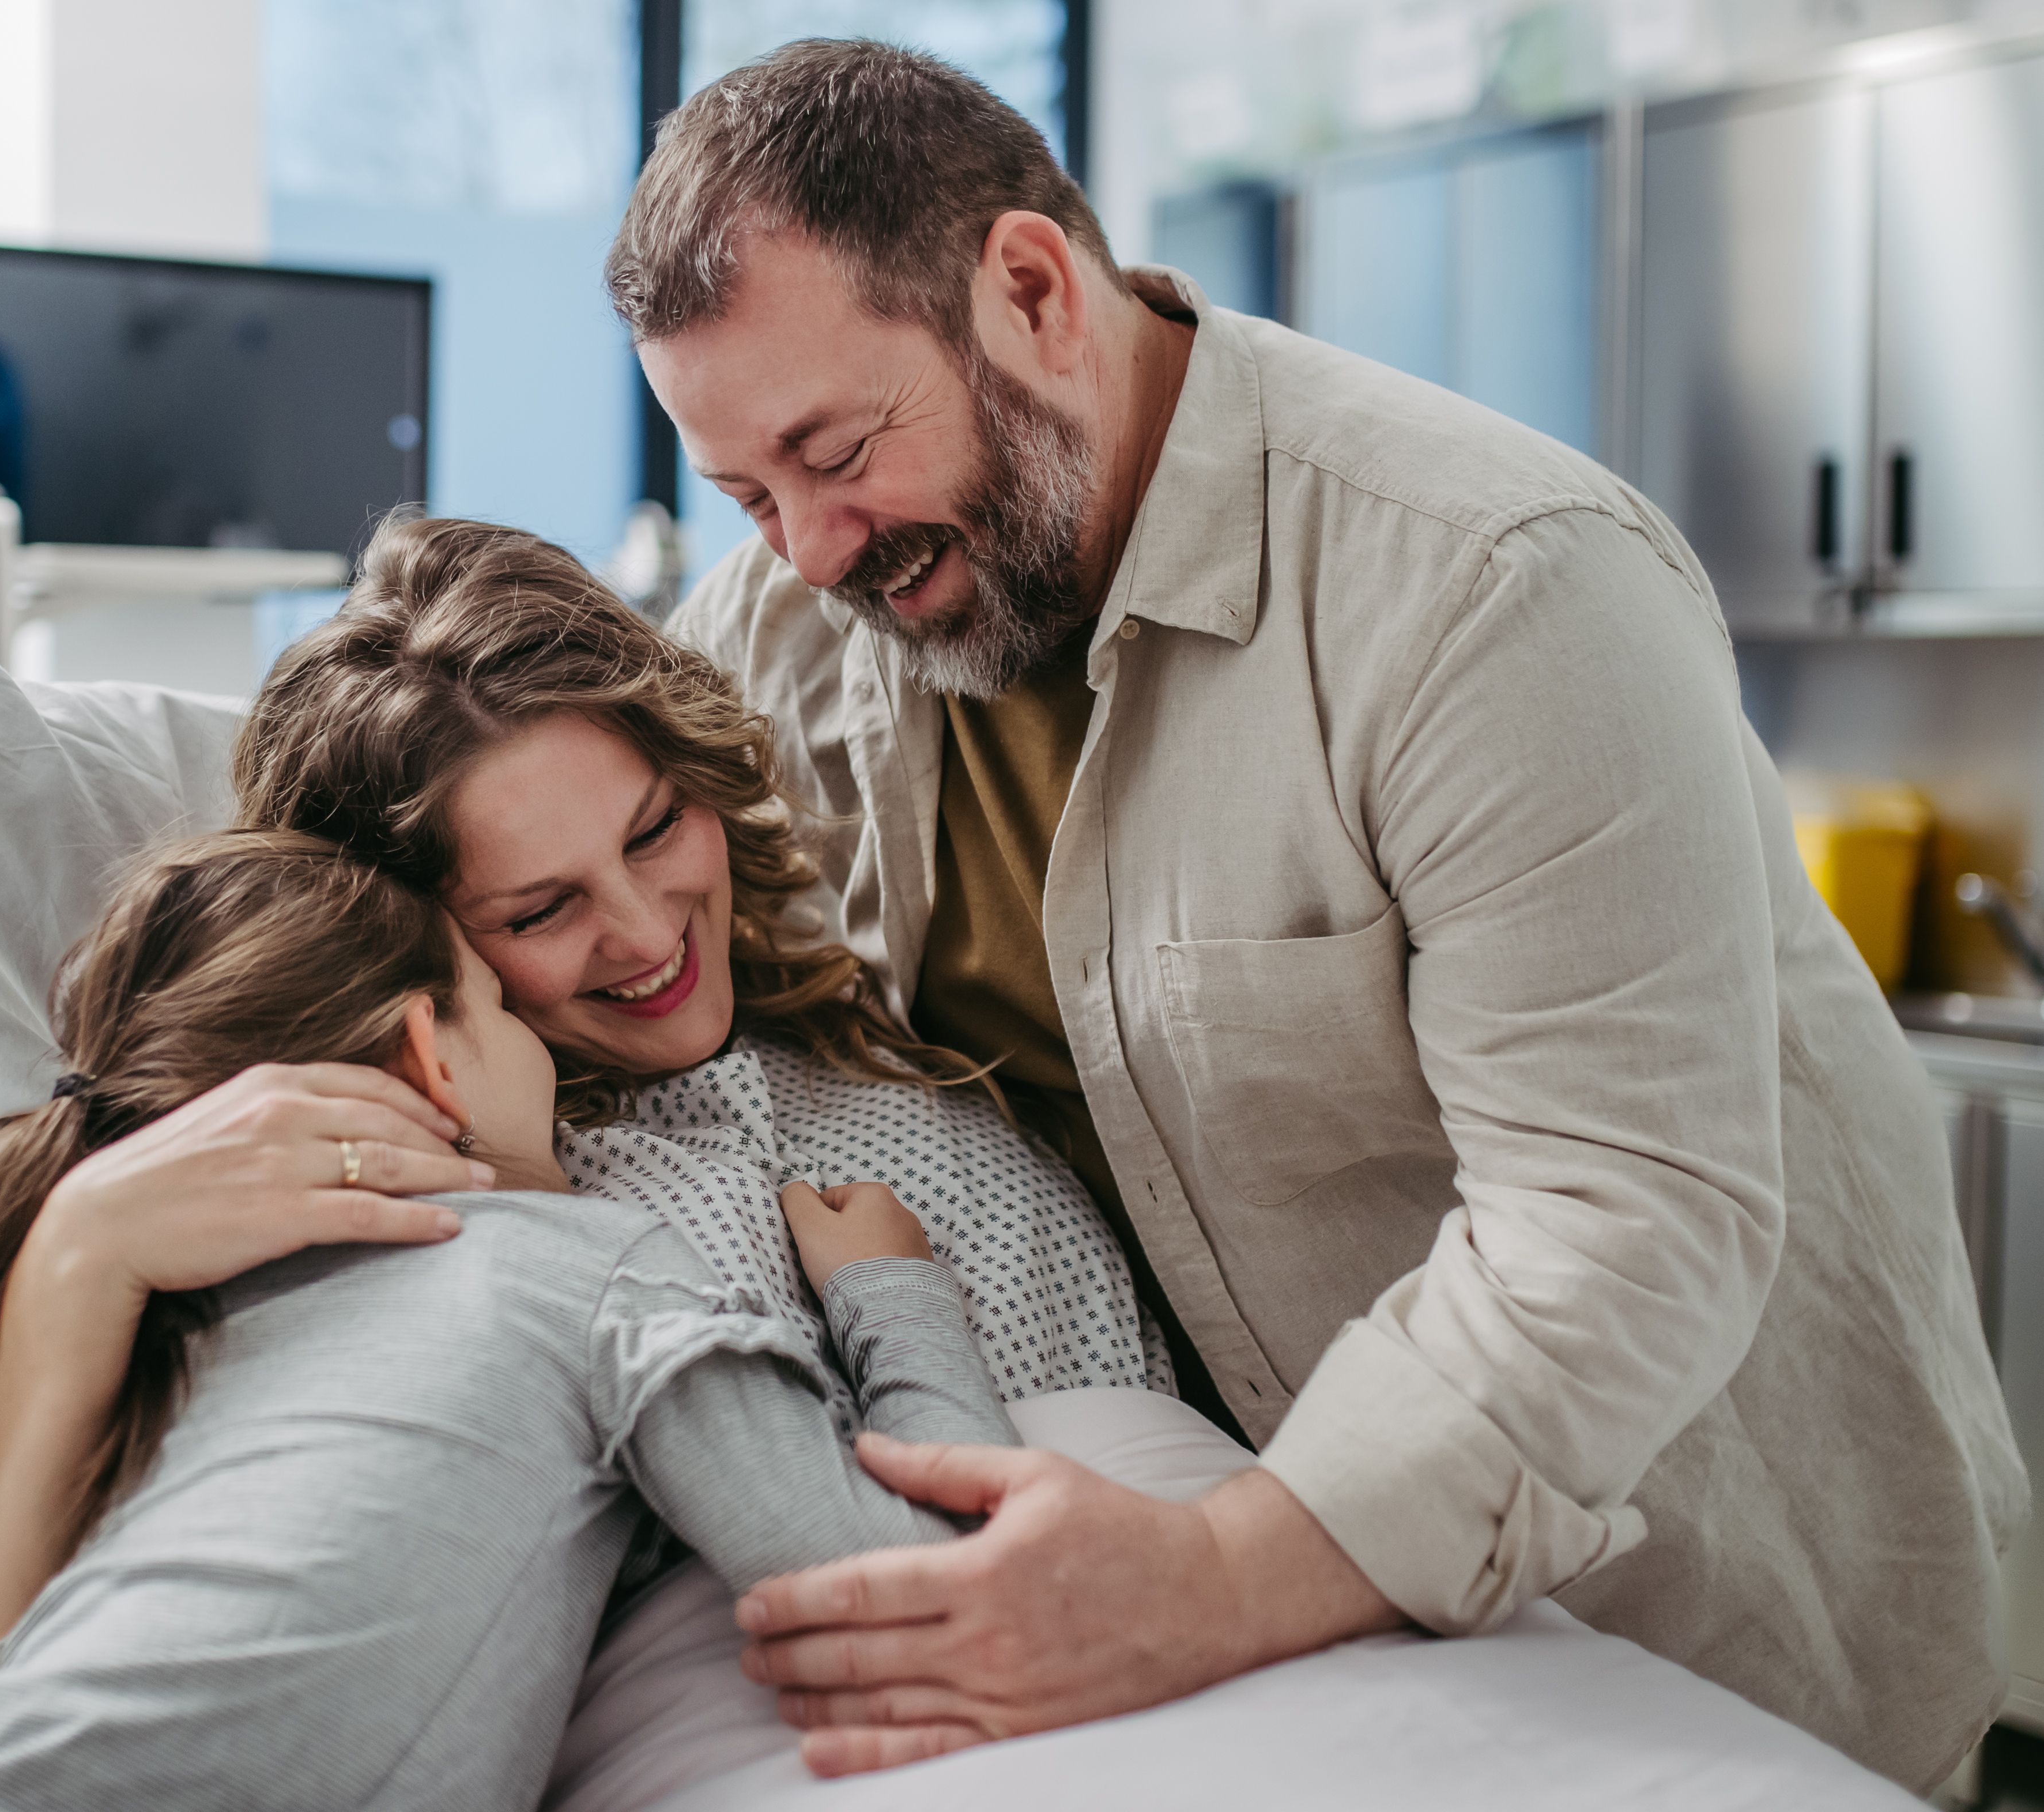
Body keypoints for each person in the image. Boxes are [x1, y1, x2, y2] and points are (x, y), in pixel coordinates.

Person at [604, 35, 2024, 1791]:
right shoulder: (790, 625)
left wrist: (1207, 1576)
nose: (810, 551)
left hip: (1683, 1580)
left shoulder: (1496, 588)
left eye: (835, 454)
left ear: (1034, 289)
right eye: (748, 493)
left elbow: (1617, 1223)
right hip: (1235, 1590)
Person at [0, 828, 1021, 1810]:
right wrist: (889, 1294)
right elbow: (921, 1595)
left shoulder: (197, 1327)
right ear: (433, 1055)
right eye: (500, 1002)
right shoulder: (588, 1262)